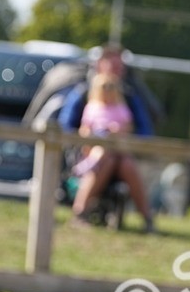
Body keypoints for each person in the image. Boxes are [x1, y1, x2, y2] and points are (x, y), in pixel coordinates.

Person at [60, 45, 155, 233]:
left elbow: (144, 130)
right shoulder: (83, 93)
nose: (116, 71)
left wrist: (123, 135)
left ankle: (147, 219)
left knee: (125, 163)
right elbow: (68, 126)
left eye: (119, 67)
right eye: (112, 66)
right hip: (91, 154)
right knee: (107, 158)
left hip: (122, 152)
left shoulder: (129, 96)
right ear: (99, 65)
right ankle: (81, 213)